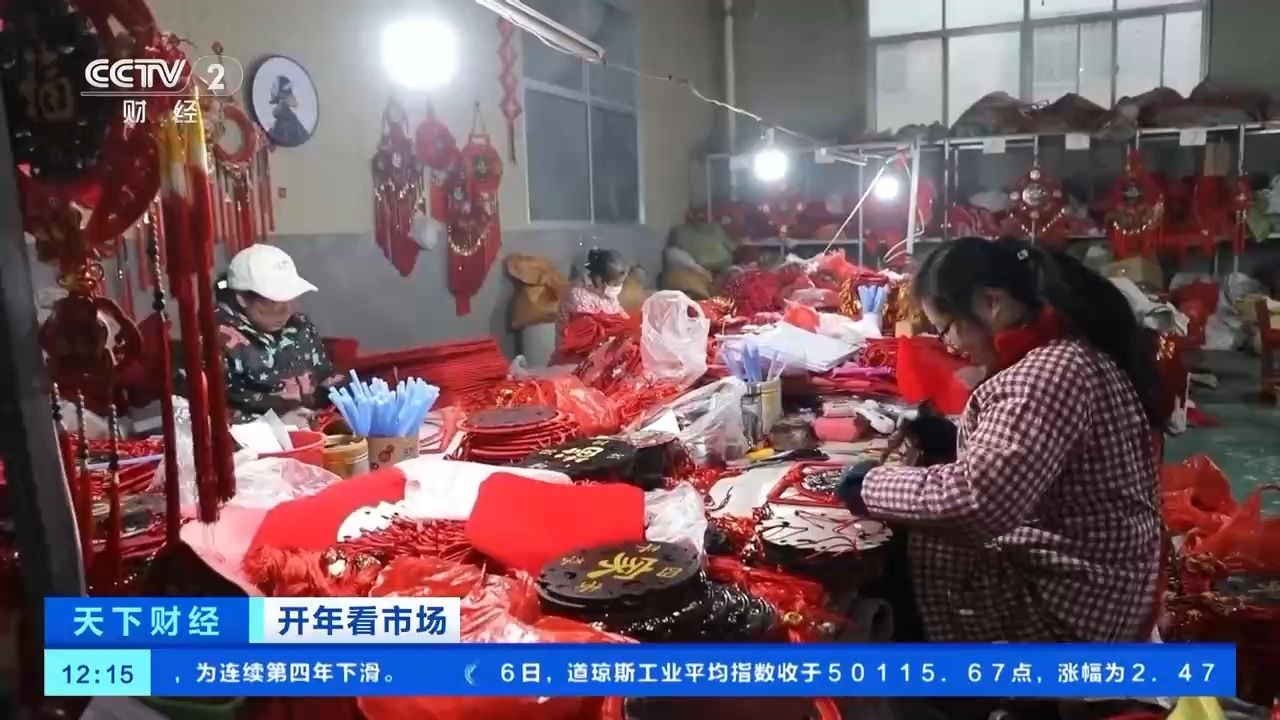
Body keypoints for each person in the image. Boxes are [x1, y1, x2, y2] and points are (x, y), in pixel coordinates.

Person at [840, 236, 1163, 645]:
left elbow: (976, 501)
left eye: (946, 329)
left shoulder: (1045, 375)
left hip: (1077, 607)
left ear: (992, 304)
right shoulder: (1065, 351)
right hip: (1108, 582)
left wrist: (869, 485)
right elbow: (1029, 455)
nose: (951, 345)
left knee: (920, 541)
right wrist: (954, 440)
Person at [217, 244, 341, 424]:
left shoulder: (300, 327)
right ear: (242, 298)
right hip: (256, 440)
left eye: (289, 297)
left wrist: (344, 399)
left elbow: (325, 379)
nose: (286, 310)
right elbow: (198, 415)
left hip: (315, 431)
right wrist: (274, 425)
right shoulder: (218, 341)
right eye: (274, 301)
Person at [557, 248, 630, 328]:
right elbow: (594, 326)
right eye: (615, 284)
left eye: (620, 283)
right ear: (600, 280)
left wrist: (629, 324)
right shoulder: (578, 295)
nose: (618, 287)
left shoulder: (605, 291)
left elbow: (617, 310)